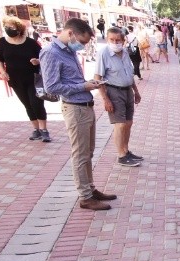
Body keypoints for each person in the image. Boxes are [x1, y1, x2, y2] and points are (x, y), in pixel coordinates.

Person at [39, 18, 113, 211]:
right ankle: (85, 197)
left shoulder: (68, 51)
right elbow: (52, 87)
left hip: (85, 105)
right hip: (74, 107)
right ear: (71, 33)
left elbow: (70, 80)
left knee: (88, 152)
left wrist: (88, 84)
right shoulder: (51, 52)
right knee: (80, 154)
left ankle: (90, 188)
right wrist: (83, 86)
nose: (81, 46)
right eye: (82, 41)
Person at [0, 15, 51, 143]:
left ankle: (44, 129)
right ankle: (36, 129)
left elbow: (44, 57)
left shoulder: (30, 43)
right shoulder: (2, 42)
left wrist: (37, 61)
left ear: (19, 28)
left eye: (11, 27)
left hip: (33, 78)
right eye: (6, 27)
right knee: (27, 104)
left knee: (36, 103)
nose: (9, 29)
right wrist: (3, 72)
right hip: (15, 79)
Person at [96, 26, 143, 168]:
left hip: (127, 89)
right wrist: (105, 99)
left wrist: (136, 91)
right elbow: (98, 77)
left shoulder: (124, 52)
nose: (115, 43)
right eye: (112, 40)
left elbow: (129, 73)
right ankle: (121, 155)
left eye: (118, 40)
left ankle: (126, 150)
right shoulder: (103, 53)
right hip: (113, 90)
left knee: (128, 123)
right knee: (120, 124)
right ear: (107, 39)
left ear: (123, 40)